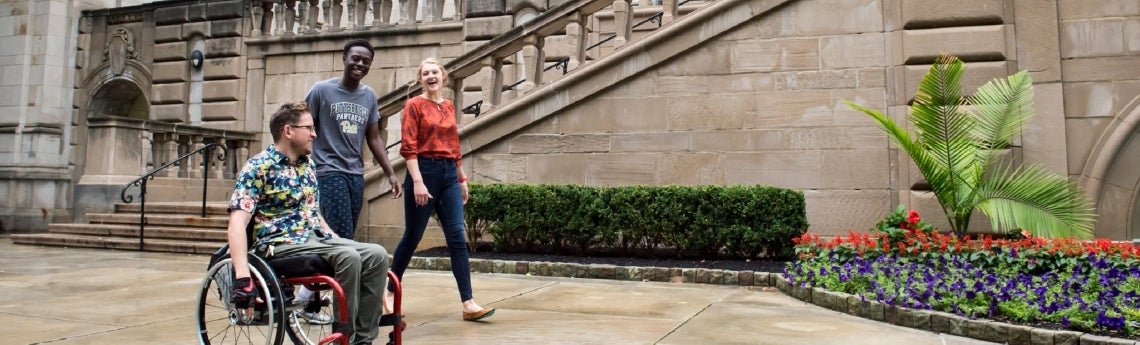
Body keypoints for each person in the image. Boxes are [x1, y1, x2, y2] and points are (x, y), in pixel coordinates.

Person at [226, 101, 391, 344]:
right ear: (288, 130)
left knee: (377, 254)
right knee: (348, 257)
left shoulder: (308, 166)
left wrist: (335, 238)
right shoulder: (258, 167)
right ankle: (346, 338)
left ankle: (363, 339)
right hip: (278, 244)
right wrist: (243, 278)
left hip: (312, 238)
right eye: (309, 128)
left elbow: (313, 213)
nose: (315, 134)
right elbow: (237, 223)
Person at [388, 58, 495, 321]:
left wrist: (461, 178)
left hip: (448, 174)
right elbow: (408, 147)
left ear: (443, 76)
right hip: (423, 171)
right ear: (420, 79)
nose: (431, 76)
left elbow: (453, 144)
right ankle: (389, 292)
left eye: (435, 72)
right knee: (412, 237)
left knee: (457, 237)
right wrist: (418, 182)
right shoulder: (413, 105)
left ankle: (468, 303)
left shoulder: (448, 105)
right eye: (425, 73)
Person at [306, 38, 402, 240]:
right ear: (344, 59)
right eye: (355, 59)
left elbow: (374, 138)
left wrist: (390, 173)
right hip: (328, 171)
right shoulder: (321, 91)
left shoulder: (368, 96)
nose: (360, 64)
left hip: (356, 174)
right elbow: (304, 127)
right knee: (341, 234)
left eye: (365, 61)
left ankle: (334, 270)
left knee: (345, 233)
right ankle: (342, 271)